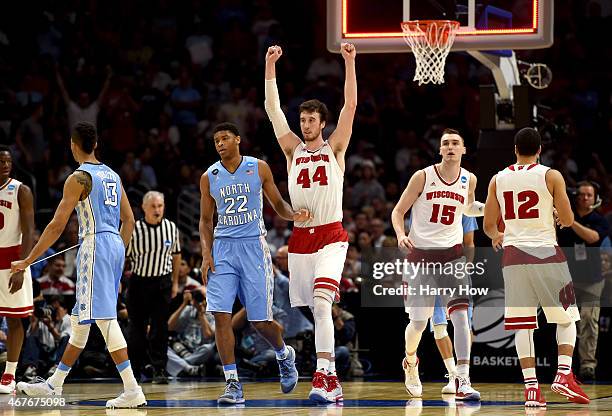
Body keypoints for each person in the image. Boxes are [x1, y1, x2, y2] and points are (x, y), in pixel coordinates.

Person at [11, 122, 146, 408]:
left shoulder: (78, 177)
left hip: (95, 245)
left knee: (104, 319)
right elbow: (130, 220)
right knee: (80, 320)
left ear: (73, 145)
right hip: (114, 245)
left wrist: (28, 259)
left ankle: (132, 389)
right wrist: (116, 258)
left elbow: (57, 225)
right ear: (95, 144)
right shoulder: (112, 174)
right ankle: (53, 384)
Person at [264, 43, 357, 403]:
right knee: (313, 306)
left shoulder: (335, 148)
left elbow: (350, 106)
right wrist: (270, 66)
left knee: (321, 303)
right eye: (302, 120)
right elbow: (272, 110)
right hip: (301, 238)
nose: (305, 125)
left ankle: (325, 376)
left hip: (332, 235)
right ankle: (329, 378)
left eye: (311, 120)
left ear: (322, 123)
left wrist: (349, 61)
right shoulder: (292, 150)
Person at [199, 122, 307, 404]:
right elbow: (205, 220)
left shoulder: (258, 168)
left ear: (238, 139)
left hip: (253, 249)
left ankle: (284, 354)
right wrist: (206, 253)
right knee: (220, 316)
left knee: (260, 320)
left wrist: (294, 215)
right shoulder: (209, 176)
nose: (220, 143)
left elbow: (278, 203)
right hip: (222, 250)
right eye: (215, 140)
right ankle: (233, 384)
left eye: (224, 138)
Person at [483, 127, 589, 407]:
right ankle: (564, 374)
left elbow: (489, 226)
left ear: (515, 149)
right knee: (567, 317)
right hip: (545, 253)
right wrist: (556, 212)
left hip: (514, 257)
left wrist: (497, 235)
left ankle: (532, 389)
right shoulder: (550, 175)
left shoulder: (498, 178)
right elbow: (567, 219)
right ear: (540, 150)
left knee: (523, 325)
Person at [391, 129, 483, 400]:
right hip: (420, 257)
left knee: (461, 317)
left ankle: (463, 379)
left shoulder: (470, 179)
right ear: (440, 150)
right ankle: (410, 361)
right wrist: (400, 235)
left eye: (455, 143)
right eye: (446, 144)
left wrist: (492, 208)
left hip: (452, 257)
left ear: (464, 150)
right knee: (418, 324)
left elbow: (467, 210)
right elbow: (398, 211)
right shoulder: (423, 176)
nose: (450, 147)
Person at [126, 190, 182, 384]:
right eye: (153, 206)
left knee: (160, 329)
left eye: (160, 206)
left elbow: (176, 255)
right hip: (139, 283)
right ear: (144, 208)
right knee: (137, 330)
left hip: (162, 283)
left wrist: (175, 282)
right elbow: (123, 257)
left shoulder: (171, 227)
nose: (157, 210)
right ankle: (134, 371)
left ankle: (159, 369)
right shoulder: (134, 229)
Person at [557, 181, 610, 381]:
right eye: (581, 194)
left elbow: (592, 238)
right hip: (566, 278)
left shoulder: (599, 219)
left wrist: (570, 221)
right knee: (565, 321)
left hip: (593, 280)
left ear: (595, 198)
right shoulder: (563, 217)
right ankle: (564, 366)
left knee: (589, 319)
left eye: (589, 195)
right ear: (576, 196)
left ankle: (587, 364)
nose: (585, 198)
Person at [430, 215, 478, 394]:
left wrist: (463, 271)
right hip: (430, 268)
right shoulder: (422, 203)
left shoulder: (465, 208)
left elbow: (469, 243)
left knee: (464, 323)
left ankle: (463, 375)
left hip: (456, 267)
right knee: (439, 326)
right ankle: (452, 374)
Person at [0, 145, 35, 394]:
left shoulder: (20, 190)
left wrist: (23, 266)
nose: (5, 165)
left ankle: (9, 374)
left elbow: (29, 231)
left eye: (8, 161)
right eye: (1, 161)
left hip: (13, 261)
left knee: (14, 319)